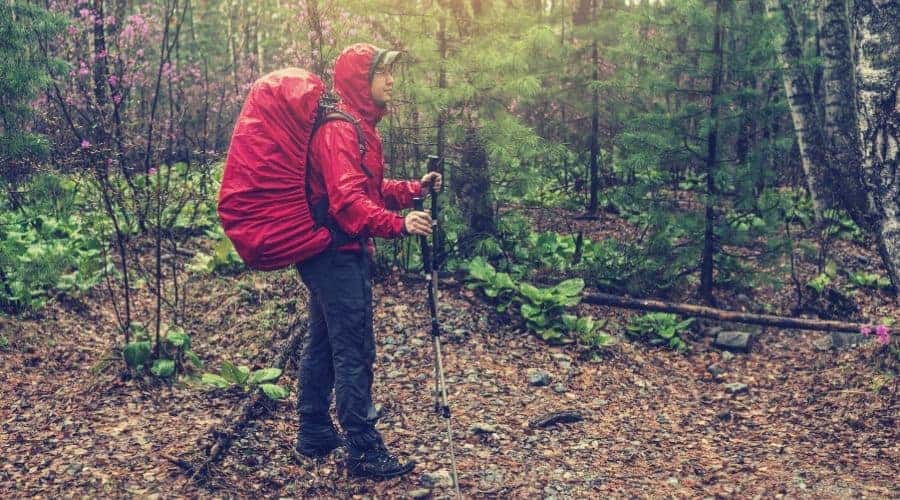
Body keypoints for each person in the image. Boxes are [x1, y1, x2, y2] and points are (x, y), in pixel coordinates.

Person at [294, 43, 441, 481]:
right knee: (355, 349)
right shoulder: (340, 131)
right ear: (363, 81)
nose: (391, 81)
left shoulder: (355, 127)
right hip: (337, 255)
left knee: (323, 341)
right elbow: (348, 204)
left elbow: (367, 189)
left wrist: (413, 187)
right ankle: (362, 449)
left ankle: (315, 431)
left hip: (329, 254)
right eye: (383, 73)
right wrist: (400, 224)